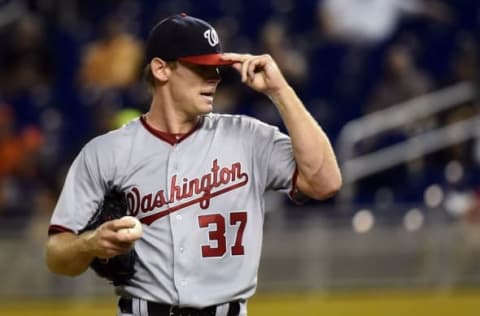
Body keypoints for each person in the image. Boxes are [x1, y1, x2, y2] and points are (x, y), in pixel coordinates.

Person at [45, 13, 342, 316]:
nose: (213, 77)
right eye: (200, 68)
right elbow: (56, 254)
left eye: (215, 68)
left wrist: (281, 92)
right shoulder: (105, 153)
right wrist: (89, 245)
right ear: (161, 69)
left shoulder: (248, 137)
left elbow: (325, 182)